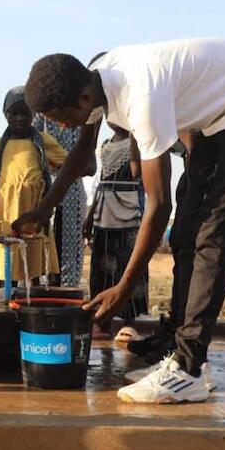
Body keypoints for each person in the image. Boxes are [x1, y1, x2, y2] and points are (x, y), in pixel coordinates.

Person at [15, 39, 225, 404]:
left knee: (212, 234)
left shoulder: (140, 98)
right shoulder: (95, 80)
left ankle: (189, 369)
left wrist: (124, 286)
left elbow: (158, 206)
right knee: (187, 228)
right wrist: (45, 208)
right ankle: (176, 345)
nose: (62, 125)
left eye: (63, 118)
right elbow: (82, 150)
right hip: (213, 112)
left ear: (83, 97)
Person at [0, 87, 66, 289]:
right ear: (5, 115)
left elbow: (67, 168)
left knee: (34, 271)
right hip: (5, 216)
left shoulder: (43, 142)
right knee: (8, 267)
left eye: (26, 113)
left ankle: (32, 310)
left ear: (34, 114)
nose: (21, 118)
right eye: (14, 113)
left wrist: (50, 200)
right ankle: (8, 307)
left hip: (34, 215)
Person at [84, 121, 148, 342]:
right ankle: (102, 321)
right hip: (104, 212)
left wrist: (133, 136)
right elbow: (101, 181)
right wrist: (90, 215)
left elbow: (136, 171)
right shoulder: (105, 144)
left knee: (127, 263)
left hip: (128, 211)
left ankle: (130, 322)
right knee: (102, 267)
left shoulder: (137, 140)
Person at [34, 113, 90, 288]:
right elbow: (32, 151)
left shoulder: (83, 118)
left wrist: (62, 162)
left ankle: (64, 302)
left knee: (69, 255)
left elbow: (91, 166)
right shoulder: (39, 117)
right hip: (43, 189)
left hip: (73, 193)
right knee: (41, 249)